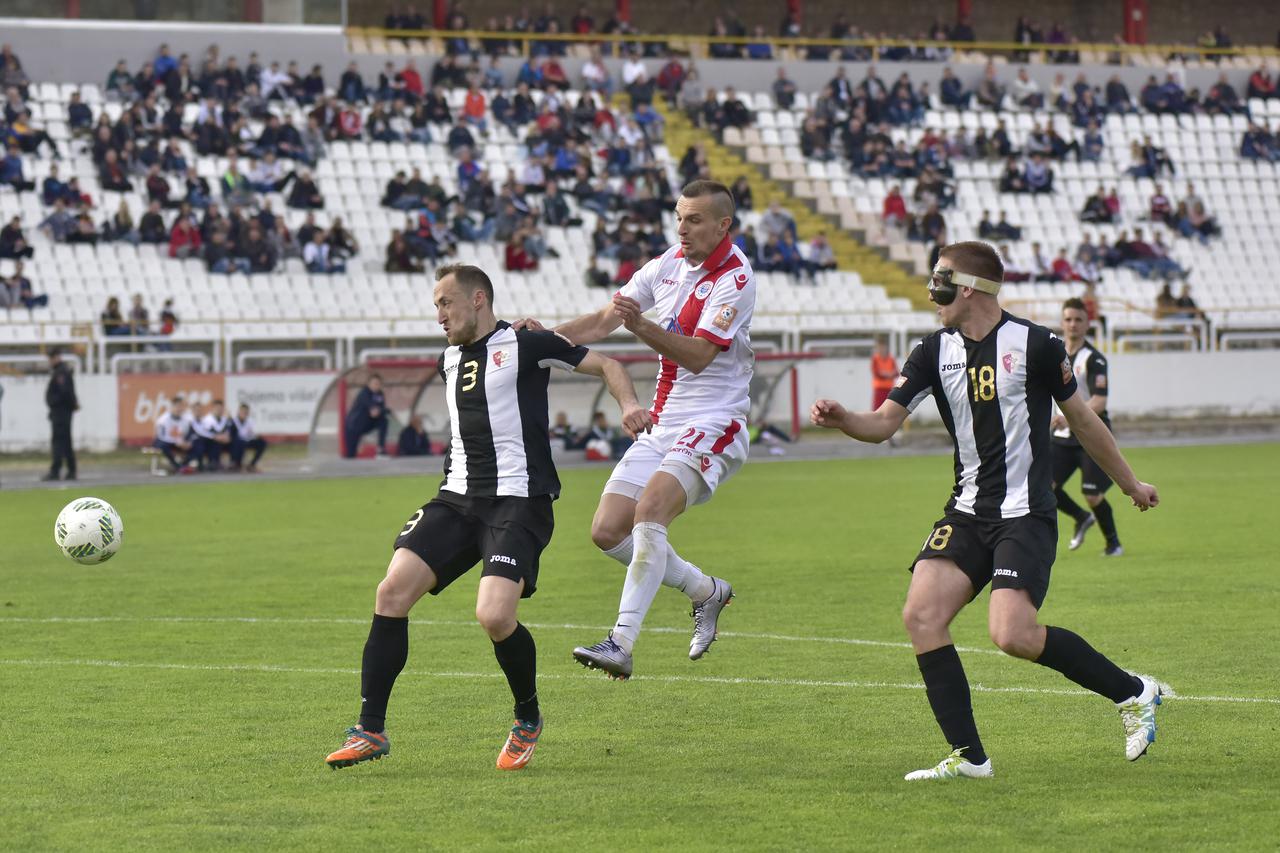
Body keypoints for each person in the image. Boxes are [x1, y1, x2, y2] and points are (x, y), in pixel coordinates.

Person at [809, 241, 1162, 780]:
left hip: (1026, 513)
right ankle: (970, 758)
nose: (933, 292)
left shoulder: (1038, 345)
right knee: (921, 615)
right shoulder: (931, 351)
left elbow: (1085, 422)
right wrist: (844, 419)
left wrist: (1130, 483)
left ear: (970, 288)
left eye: (941, 281)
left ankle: (1134, 693)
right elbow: (882, 424)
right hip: (967, 512)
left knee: (1012, 634)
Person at [323, 263, 651, 772]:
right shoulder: (448, 359)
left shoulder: (528, 344)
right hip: (456, 500)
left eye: (446, 303)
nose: (439, 315)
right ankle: (370, 730)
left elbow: (608, 364)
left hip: (518, 502)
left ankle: (527, 718)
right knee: (391, 593)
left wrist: (629, 404)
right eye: (436, 306)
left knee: (495, 616)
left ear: (478, 299)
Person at [515, 179, 754, 679]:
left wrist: (641, 326)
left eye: (694, 220)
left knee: (650, 511)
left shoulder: (736, 277)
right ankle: (705, 591)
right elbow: (604, 320)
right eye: (679, 217)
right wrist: (544, 338)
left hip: (715, 420)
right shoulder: (666, 264)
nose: (682, 228)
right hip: (664, 423)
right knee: (607, 530)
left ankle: (620, 643)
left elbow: (699, 356)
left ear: (723, 225)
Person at [1051, 299, 1123, 556]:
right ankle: (1081, 517)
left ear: (1087, 323)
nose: (1073, 324)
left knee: (1092, 494)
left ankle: (1113, 544)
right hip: (1061, 436)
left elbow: (1100, 401)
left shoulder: (1094, 359)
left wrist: (1071, 417)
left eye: (1078, 319)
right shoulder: (1053, 355)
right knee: (1043, 487)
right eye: (1068, 319)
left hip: (1090, 435)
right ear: (1062, 322)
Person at [43, 348, 78, 481]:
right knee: (66, 441)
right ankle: (71, 470)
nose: (50, 361)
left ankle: (56, 470)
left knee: (58, 442)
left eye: (51, 358)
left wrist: (54, 403)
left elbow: (64, 393)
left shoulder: (61, 372)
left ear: (56, 357)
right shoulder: (62, 371)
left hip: (61, 412)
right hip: (62, 411)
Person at [344, 374, 390, 457]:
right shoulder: (364, 393)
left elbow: (382, 409)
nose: (376, 386)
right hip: (354, 426)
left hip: (367, 424)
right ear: (369, 384)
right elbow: (372, 408)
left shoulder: (380, 394)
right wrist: (377, 410)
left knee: (384, 421)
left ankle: (381, 449)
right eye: (374, 383)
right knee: (351, 454)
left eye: (378, 384)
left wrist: (382, 411)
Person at [153, 395, 197, 474]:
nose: (179, 409)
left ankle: (184, 464)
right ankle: (176, 465)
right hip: (165, 442)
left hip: (180, 442)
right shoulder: (163, 419)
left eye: (181, 406)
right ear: (172, 407)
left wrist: (188, 443)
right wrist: (178, 442)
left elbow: (191, 433)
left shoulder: (187, 419)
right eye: (177, 406)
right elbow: (161, 436)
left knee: (197, 445)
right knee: (163, 445)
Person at [196, 399, 235, 472]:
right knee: (214, 442)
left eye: (221, 408)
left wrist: (226, 437)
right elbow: (205, 432)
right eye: (217, 408)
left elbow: (228, 430)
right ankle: (213, 462)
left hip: (222, 442)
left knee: (236, 441)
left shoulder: (224, 419)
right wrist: (215, 437)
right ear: (213, 408)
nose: (219, 410)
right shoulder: (207, 419)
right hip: (210, 442)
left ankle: (234, 463)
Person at [230, 403, 267, 472]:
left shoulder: (250, 421)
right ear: (239, 412)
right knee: (240, 443)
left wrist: (255, 436)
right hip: (237, 442)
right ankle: (237, 464)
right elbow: (232, 435)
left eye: (246, 412)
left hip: (247, 440)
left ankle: (252, 464)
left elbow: (252, 433)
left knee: (262, 443)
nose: (244, 414)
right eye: (243, 412)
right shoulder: (234, 421)